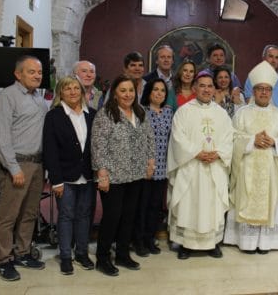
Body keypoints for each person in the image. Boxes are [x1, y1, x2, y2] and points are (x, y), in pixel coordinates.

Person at [91, 75, 156, 276]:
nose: (128, 94)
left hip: (135, 174)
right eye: (123, 90)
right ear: (115, 94)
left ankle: (122, 254)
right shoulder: (105, 114)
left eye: (131, 90)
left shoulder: (140, 111)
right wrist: (101, 172)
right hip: (113, 175)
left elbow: (149, 139)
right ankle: (102, 258)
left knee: (129, 216)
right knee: (112, 217)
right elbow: (98, 145)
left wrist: (150, 161)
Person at [0, 55, 48, 281]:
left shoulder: (38, 98)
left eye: (40, 72)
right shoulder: (8, 96)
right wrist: (13, 168)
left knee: (30, 213)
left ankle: (23, 252)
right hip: (17, 164)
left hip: (37, 163)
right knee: (8, 216)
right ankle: (4, 260)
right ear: (18, 74)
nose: (37, 75)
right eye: (32, 71)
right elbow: (0, 136)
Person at [167, 72, 234, 260]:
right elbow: (178, 138)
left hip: (214, 166)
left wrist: (218, 152)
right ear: (195, 88)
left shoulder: (221, 113)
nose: (206, 89)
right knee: (190, 204)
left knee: (212, 204)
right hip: (191, 167)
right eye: (202, 86)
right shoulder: (183, 111)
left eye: (209, 86)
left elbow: (229, 137)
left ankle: (212, 243)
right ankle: (185, 244)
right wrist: (196, 152)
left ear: (214, 89)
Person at [224, 61, 278, 254]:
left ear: (272, 91)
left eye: (268, 89)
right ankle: (247, 242)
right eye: (260, 89)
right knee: (247, 198)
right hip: (247, 167)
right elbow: (232, 138)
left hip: (270, 168)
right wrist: (251, 141)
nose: (264, 93)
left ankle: (266, 243)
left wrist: (275, 142)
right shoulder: (241, 113)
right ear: (253, 90)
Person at [43, 76, 97, 275]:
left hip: (88, 176)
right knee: (66, 216)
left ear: (82, 92)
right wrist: (55, 180)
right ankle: (66, 255)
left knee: (84, 215)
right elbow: (50, 151)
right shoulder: (54, 116)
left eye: (77, 88)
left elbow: (96, 146)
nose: (73, 92)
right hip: (64, 177)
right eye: (68, 88)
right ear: (61, 93)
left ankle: (82, 253)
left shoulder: (92, 114)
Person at [133, 78, 174, 256]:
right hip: (145, 167)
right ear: (149, 92)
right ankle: (138, 241)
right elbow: (137, 140)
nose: (159, 93)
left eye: (162, 91)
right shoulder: (141, 112)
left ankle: (150, 239)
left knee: (155, 206)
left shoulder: (169, 112)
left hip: (162, 167)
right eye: (155, 90)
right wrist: (146, 163)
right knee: (141, 206)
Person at [244, 45, 278, 113]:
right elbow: (248, 101)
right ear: (264, 57)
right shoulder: (252, 77)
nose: (273, 60)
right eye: (270, 56)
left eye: (277, 58)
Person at [143, 45, 177, 109]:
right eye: (162, 57)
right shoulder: (146, 80)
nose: (166, 60)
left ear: (172, 61)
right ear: (156, 60)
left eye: (169, 57)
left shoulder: (177, 80)